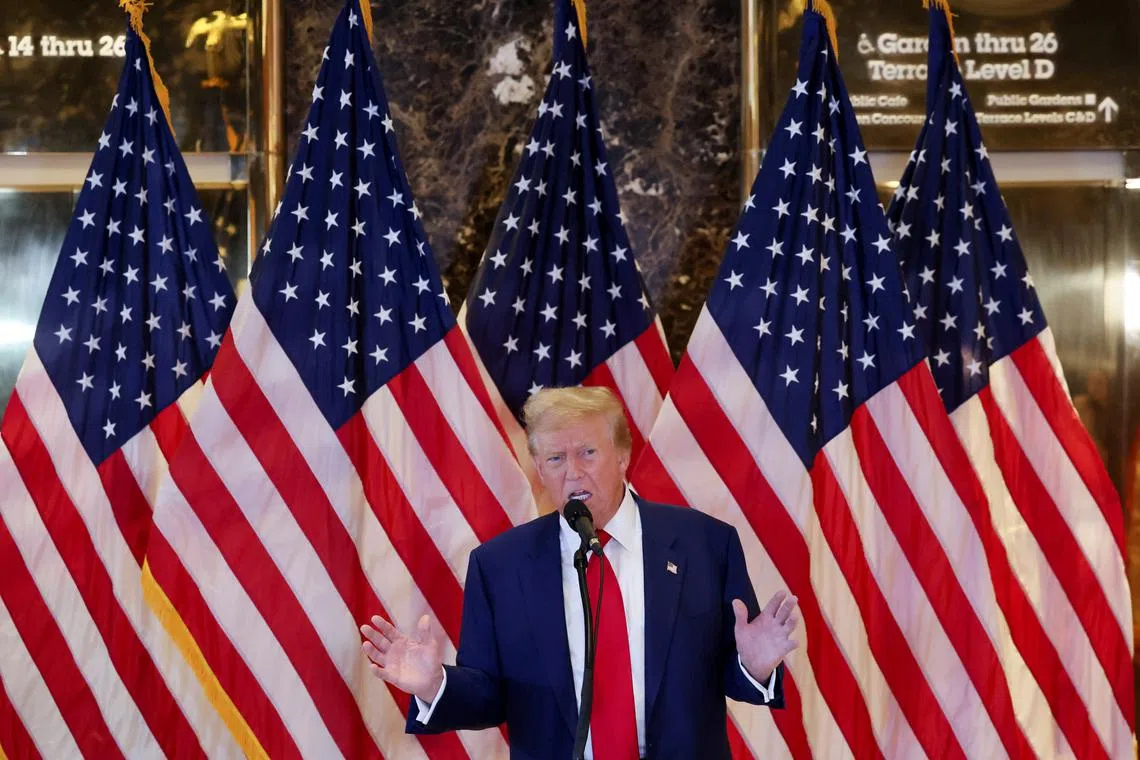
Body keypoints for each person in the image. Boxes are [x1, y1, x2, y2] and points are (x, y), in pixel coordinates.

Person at [360, 386, 798, 759]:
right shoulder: (499, 566)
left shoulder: (706, 544)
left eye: (588, 452)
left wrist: (754, 666)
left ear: (622, 455)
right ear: (539, 471)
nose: (573, 472)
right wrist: (435, 684)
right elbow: (489, 696)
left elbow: (727, 670)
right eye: (555, 459)